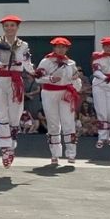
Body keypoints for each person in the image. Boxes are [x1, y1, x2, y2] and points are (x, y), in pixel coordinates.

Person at [0, 15, 32, 169]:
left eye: (12, 25)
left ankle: (11, 145)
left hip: (15, 82)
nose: (9, 28)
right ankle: (5, 149)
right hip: (0, 80)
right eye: (6, 25)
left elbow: (27, 62)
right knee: (1, 114)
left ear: (17, 27)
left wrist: (35, 72)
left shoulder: (23, 45)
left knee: (15, 115)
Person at [35, 37, 83, 166]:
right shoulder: (46, 61)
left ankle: (71, 153)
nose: (61, 49)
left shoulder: (71, 63)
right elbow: (38, 78)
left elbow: (76, 82)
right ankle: (55, 154)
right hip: (49, 93)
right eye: (58, 47)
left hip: (65, 93)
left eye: (63, 47)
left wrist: (75, 81)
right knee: (53, 123)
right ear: (54, 48)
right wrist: (50, 79)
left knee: (68, 122)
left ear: (67, 49)